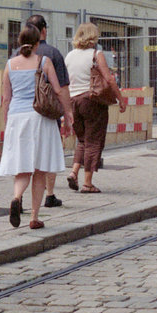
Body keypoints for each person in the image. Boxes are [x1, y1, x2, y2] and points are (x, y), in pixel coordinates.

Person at [0, 24, 70, 229]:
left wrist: (6, 122)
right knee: (39, 169)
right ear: (38, 42)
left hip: (17, 118)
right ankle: (34, 218)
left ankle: (16, 197)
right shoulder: (44, 61)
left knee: (22, 167)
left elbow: (6, 98)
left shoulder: (10, 65)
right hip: (40, 118)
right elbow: (57, 90)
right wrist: (67, 113)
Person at [65, 22, 126, 194]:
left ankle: (73, 172)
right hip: (91, 101)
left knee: (82, 140)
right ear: (93, 36)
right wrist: (120, 99)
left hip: (73, 101)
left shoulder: (69, 56)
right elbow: (109, 79)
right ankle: (88, 183)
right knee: (93, 141)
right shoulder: (95, 54)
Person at [25, 14, 72, 205]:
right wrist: (68, 114)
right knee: (49, 152)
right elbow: (62, 88)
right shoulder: (53, 54)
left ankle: (20, 195)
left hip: (23, 112)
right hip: (47, 110)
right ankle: (49, 194)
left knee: (28, 153)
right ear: (44, 30)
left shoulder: (16, 55)